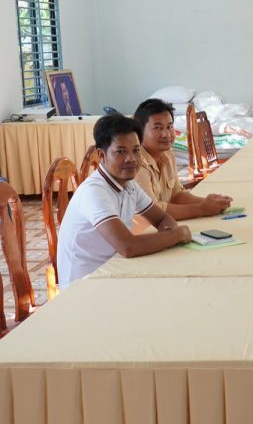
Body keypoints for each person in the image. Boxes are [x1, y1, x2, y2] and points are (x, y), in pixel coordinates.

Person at [57, 114, 192, 289]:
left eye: (136, 150)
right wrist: (176, 235)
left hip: (114, 271)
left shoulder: (129, 185)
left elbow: (162, 219)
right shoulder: (94, 191)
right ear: (102, 155)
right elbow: (128, 246)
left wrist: (168, 235)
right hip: (84, 287)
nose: (131, 159)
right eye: (120, 152)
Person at [133, 98, 232, 220]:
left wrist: (210, 203)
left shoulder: (167, 154)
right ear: (139, 132)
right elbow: (152, 211)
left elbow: (177, 195)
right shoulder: (136, 164)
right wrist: (202, 209)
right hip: (143, 228)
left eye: (169, 127)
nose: (166, 134)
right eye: (157, 128)